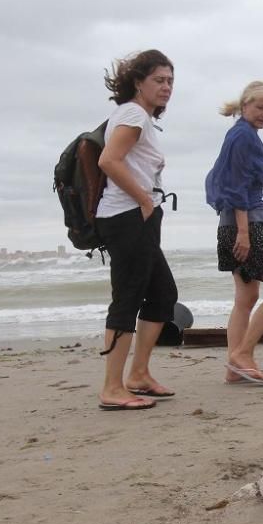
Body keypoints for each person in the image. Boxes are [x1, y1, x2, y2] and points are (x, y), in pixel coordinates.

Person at [93, 49, 178, 410]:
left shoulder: (141, 117)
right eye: (159, 80)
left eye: (171, 81)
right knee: (127, 298)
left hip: (139, 215)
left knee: (162, 295)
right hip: (127, 216)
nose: (167, 87)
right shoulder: (132, 114)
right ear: (138, 82)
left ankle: (138, 374)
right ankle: (112, 388)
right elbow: (108, 160)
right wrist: (145, 200)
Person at [205, 81, 263, 386]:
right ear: (245, 106)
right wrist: (243, 233)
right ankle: (242, 354)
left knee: (247, 297)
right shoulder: (242, 135)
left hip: (232, 225)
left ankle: (235, 368)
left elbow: (217, 181)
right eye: (260, 107)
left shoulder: (242, 135)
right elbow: (235, 187)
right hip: (244, 227)